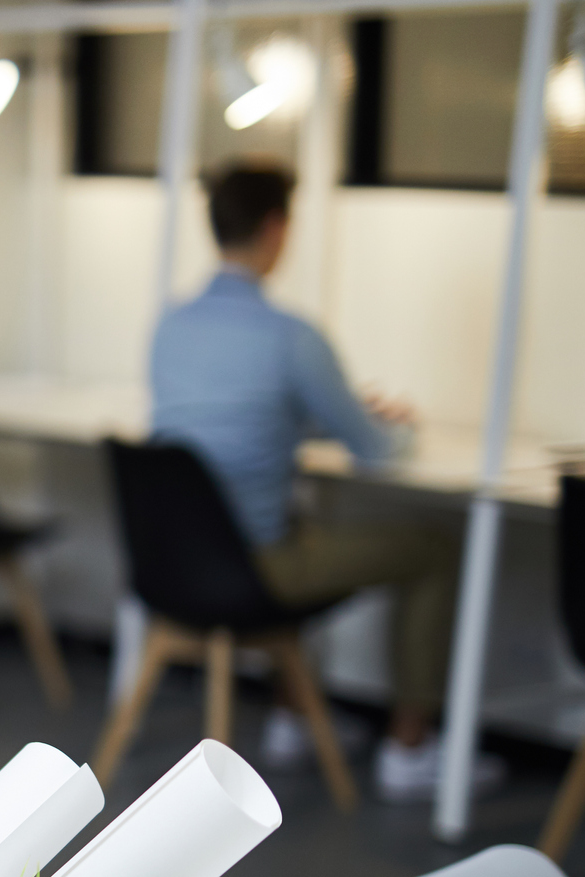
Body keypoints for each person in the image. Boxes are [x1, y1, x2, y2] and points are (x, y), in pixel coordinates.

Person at [149, 160, 489, 802]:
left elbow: (225, 424)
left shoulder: (171, 325)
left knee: (305, 526)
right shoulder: (291, 337)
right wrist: (393, 423)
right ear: (277, 228)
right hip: (257, 566)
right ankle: (410, 749)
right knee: (435, 548)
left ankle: (291, 719)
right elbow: (377, 453)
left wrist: (309, 423)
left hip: (178, 563)